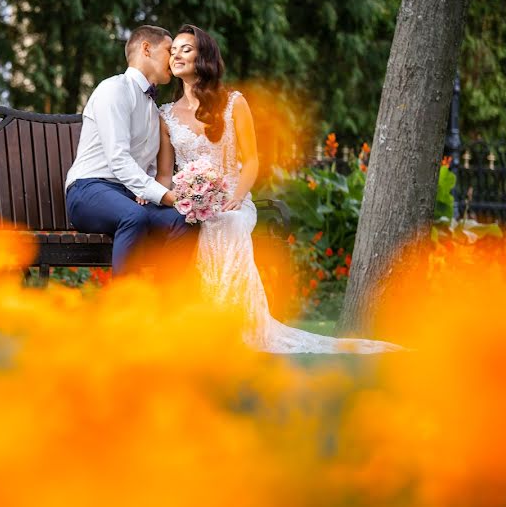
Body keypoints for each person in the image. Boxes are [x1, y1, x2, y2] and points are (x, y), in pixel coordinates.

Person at [157, 24, 401, 353]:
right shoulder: (166, 115)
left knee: (227, 224)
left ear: (205, 57)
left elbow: (253, 161)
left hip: (233, 197)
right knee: (196, 227)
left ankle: (230, 327)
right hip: (190, 204)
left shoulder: (233, 104)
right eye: (173, 52)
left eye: (185, 49)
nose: (176, 56)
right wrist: (180, 200)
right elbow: (165, 173)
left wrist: (236, 197)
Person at [65, 25, 195, 274]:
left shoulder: (154, 109)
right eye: (169, 50)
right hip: (88, 189)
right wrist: (165, 196)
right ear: (147, 49)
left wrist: (153, 191)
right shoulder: (113, 89)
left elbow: (152, 166)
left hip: (129, 196)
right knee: (134, 217)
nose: (174, 57)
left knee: (184, 220)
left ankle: (168, 305)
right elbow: (118, 159)